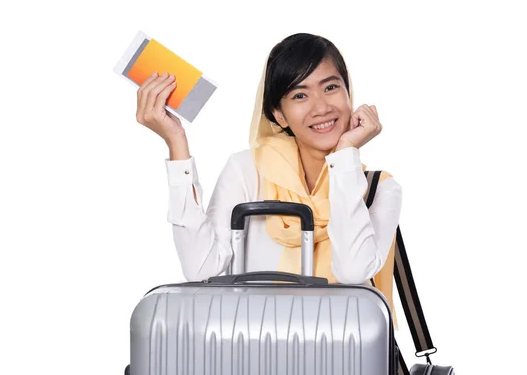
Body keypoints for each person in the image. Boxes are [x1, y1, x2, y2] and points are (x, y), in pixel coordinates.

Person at [135, 33, 403, 326]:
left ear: (348, 94)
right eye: (300, 95)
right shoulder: (248, 170)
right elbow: (201, 268)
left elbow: (352, 272)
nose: (321, 106)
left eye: (331, 87)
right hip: (258, 352)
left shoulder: (379, 189)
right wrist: (176, 142)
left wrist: (345, 155)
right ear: (279, 115)